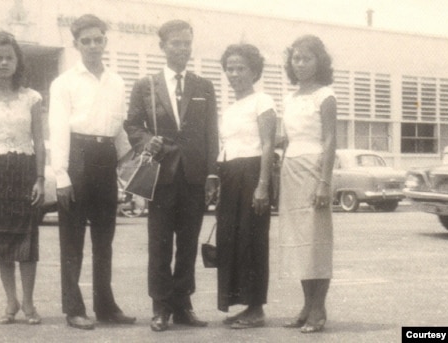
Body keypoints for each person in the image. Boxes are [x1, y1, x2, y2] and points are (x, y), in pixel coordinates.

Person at [125, 19, 219, 332]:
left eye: (186, 43)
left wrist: (211, 174)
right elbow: (133, 125)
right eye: (175, 43)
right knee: (160, 243)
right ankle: (160, 307)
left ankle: (183, 306)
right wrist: (144, 140)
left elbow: (210, 133)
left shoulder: (203, 86)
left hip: (193, 177)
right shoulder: (145, 85)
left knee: (188, 244)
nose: (182, 49)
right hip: (161, 175)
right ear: (162, 46)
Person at [48, 14, 135, 330]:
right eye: (86, 40)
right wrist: (61, 175)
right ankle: (73, 308)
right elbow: (58, 129)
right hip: (77, 155)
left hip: (105, 156)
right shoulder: (64, 83)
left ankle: (106, 306)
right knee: (72, 240)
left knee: (104, 238)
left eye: (98, 39)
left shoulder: (117, 81)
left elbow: (119, 129)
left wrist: (132, 165)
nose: (93, 45)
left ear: (105, 41)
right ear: (76, 44)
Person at [0, 31, 45, 325]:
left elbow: (39, 141)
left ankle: (28, 303)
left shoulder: (31, 97)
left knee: (26, 240)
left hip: (25, 172)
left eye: (9, 57)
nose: (4, 62)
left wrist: (40, 178)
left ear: (17, 61)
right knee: (2, 242)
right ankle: (10, 302)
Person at [278, 34, 337, 333]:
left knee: (316, 242)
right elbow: (285, 138)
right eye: (296, 58)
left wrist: (324, 182)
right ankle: (306, 305)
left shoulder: (325, 95)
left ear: (319, 61)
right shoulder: (289, 98)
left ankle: (319, 308)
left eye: (307, 58)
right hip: (291, 169)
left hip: (315, 170)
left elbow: (329, 140)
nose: (300, 64)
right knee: (299, 244)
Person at [216, 44, 276, 329]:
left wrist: (262, 185)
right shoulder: (229, 109)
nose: (235, 73)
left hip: (253, 173)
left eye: (241, 68)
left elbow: (267, 145)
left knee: (253, 241)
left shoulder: (262, 101)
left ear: (254, 71)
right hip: (230, 174)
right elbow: (226, 146)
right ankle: (244, 305)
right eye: (230, 68)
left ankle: (256, 309)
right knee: (231, 241)